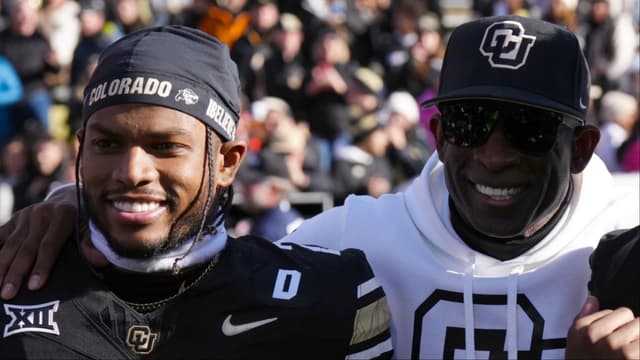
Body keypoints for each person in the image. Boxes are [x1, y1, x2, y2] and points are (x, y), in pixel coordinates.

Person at [1, 15, 639, 359]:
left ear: (582, 146)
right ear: (439, 133)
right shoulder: (348, 244)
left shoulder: (629, 240)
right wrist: (69, 206)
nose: (493, 155)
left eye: (528, 131)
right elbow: (195, 255)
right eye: (470, 124)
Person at [0, 25, 393, 359]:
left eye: (165, 146)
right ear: (81, 150)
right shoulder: (14, 280)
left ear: (227, 162)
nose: (132, 172)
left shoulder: (330, 299)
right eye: (107, 145)